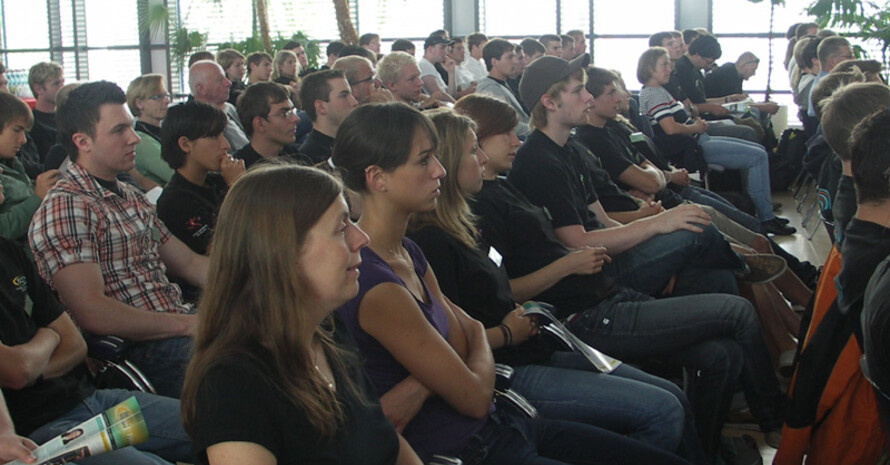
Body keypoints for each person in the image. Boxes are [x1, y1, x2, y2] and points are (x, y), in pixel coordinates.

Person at [331, 102, 693, 465]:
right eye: (424, 160)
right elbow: (472, 394)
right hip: (470, 446)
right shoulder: (377, 282)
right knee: (663, 408)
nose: (439, 170)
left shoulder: (408, 249)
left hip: (504, 424)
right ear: (377, 178)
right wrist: (466, 355)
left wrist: (449, 362)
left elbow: (468, 332)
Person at [455, 93, 786, 460]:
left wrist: (651, 235)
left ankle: (706, 450)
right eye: (502, 136)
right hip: (583, 312)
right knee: (730, 298)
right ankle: (776, 418)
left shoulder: (510, 181)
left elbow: (592, 223)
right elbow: (514, 283)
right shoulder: (493, 195)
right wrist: (570, 263)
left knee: (720, 343)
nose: (515, 140)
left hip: (600, 289)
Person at [180, 164, 420, 465]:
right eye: (341, 227)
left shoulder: (328, 332)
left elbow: (385, 442)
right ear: (281, 253)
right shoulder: (232, 385)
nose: (362, 238)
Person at [28, 81, 208, 398]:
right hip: (137, 351)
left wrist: (258, 281)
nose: (134, 138)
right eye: (119, 130)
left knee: (280, 333)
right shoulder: (68, 206)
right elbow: (91, 311)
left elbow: (190, 263)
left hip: (176, 327)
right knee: (253, 371)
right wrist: (186, 324)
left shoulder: (128, 196)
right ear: (82, 141)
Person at [0, 235, 191, 465]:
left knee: (220, 427)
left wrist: (35, 368)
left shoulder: (8, 251)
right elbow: (18, 371)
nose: (1, 196)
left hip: (93, 403)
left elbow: (75, 345)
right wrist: (49, 336)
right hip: (46, 432)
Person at [637, 46, 793, 234]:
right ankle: (766, 218)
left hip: (698, 137)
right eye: (664, 65)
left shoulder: (660, 90)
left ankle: (763, 212)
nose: (670, 69)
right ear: (649, 69)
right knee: (758, 156)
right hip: (695, 145)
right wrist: (694, 127)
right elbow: (669, 128)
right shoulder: (654, 93)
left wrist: (694, 119)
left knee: (755, 148)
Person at [157, 101, 244, 257]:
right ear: (185, 144)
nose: (225, 145)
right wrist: (237, 187)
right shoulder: (174, 202)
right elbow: (219, 252)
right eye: (213, 136)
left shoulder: (218, 180)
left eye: (222, 135)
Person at [0, 92, 59, 243]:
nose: (23, 140)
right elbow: (4, 230)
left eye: (24, 132)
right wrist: (37, 197)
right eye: (16, 130)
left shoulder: (13, 164)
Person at [233, 82, 307, 169]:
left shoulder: (294, 156)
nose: (296, 119)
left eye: (292, 112)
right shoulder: (240, 168)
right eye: (285, 114)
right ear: (260, 124)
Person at [298, 69, 358, 164]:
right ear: (321, 107)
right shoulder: (310, 158)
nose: (354, 102)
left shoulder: (354, 143)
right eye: (343, 95)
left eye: (351, 94)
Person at [189, 60, 248, 154]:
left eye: (226, 77)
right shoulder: (195, 123)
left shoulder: (230, 108)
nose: (228, 83)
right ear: (201, 89)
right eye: (220, 80)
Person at [475, 39, 529, 137]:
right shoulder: (490, 89)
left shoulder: (502, 83)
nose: (516, 61)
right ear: (494, 62)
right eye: (510, 57)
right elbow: (506, 124)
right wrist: (535, 130)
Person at [126, 74, 173, 185]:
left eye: (166, 95)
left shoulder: (163, 132)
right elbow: (177, 175)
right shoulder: (141, 140)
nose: (166, 101)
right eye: (158, 97)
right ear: (139, 103)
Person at [27, 62, 64, 161]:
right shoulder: (31, 125)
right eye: (56, 84)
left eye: (62, 82)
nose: (62, 87)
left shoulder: (67, 117)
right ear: (38, 89)